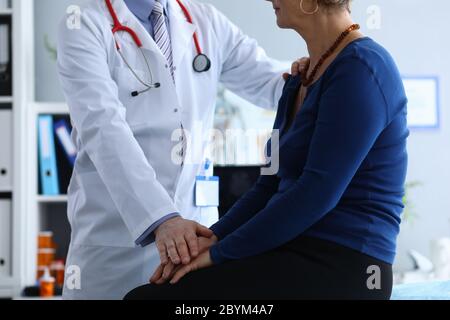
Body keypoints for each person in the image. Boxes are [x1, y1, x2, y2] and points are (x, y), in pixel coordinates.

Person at [125, 0, 409, 300]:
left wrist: (220, 253)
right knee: (153, 294)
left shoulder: (364, 67)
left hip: (346, 264)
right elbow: (267, 185)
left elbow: (315, 194)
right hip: (291, 250)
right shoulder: (301, 79)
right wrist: (212, 238)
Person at [57, 0, 305, 299]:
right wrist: (162, 218)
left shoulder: (203, 19)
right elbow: (103, 128)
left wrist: (313, 74)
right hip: (115, 246)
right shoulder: (84, 22)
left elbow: (270, 83)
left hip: (194, 239)